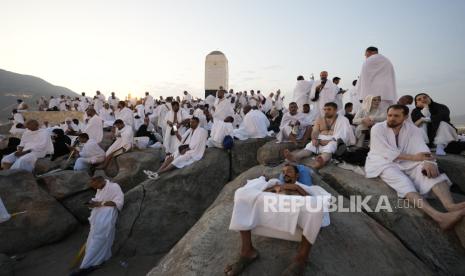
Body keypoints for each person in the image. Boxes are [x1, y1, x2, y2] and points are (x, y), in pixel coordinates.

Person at [365, 104, 465, 229]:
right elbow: (383, 151)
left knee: (428, 171)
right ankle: (439, 217)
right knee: (403, 182)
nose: (391, 118)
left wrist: (429, 162)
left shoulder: (413, 129)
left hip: (406, 160)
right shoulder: (377, 128)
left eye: (396, 116)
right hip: (382, 161)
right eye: (390, 115)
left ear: (405, 117)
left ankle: (450, 206)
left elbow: (421, 147)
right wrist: (414, 158)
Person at [225, 164, 330, 276]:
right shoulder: (275, 184)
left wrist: (296, 188)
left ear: (297, 175)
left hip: (296, 214)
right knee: (241, 194)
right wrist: (273, 188)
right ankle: (247, 251)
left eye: (289, 171)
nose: (285, 174)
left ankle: (301, 260)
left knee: (315, 206)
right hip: (270, 210)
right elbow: (258, 193)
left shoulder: (306, 187)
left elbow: (316, 201)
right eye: (283, 172)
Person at [73, 176, 124, 275]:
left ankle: (86, 265)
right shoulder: (100, 188)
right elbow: (98, 199)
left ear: (100, 181)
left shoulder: (114, 187)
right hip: (98, 216)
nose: (94, 188)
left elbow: (118, 202)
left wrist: (100, 203)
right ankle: (92, 262)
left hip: (107, 216)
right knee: (93, 238)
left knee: (99, 238)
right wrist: (92, 203)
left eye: (95, 185)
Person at [284, 102, 355, 169]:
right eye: (325, 109)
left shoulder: (342, 120)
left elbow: (343, 134)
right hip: (320, 139)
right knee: (310, 145)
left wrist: (328, 141)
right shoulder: (320, 119)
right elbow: (315, 131)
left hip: (333, 139)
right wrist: (314, 139)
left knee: (331, 146)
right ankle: (295, 157)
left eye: (329, 109)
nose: (326, 111)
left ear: (335, 110)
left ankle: (321, 161)